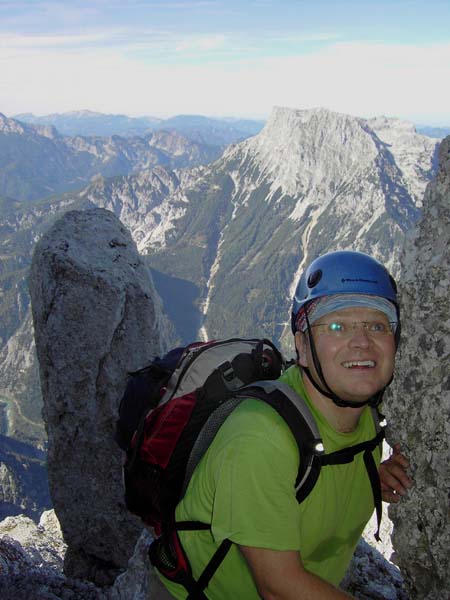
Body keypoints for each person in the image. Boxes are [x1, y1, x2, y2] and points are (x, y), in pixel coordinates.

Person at [155, 250, 412, 599]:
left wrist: (367, 478)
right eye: (337, 325)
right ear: (302, 346)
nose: (362, 341)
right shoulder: (260, 435)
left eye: (377, 325)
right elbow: (278, 587)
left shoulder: (365, 415)